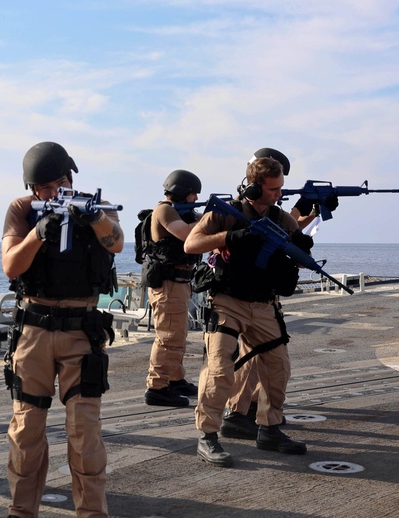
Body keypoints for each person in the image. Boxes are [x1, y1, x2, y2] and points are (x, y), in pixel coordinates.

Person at [0, 142, 123, 518]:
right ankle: (23, 513)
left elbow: (117, 243)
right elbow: (11, 265)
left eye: (61, 183)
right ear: (32, 188)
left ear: (73, 178)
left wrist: (93, 217)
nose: (54, 192)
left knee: (84, 431)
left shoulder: (97, 206)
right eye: (44, 188)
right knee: (26, 427)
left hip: (80, 331)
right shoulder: (20, 209)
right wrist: (38, 231)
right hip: (33, 329)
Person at [185, 157, 312, 467]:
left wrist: (301, 247)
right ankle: (208, 436)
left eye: (281, 188)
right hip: (228, 301)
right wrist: (229, 238)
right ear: (255, 188)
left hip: (265, 304)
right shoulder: (225, 214)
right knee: (219, 369)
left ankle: (269, 429)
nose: (279, 195)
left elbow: (297, 257)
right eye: (273, 189)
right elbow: (191, 244)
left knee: (278, 367)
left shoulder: (282, 219)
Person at [219, 148, 338, 441]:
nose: (279, 192)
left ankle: (253, 414)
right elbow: (274, 227)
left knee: (267, 359)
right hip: (238, 294)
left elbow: (285, 229)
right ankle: (238, 413)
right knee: (245, 358)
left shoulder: (271, 204)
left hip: (263, 292)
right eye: (275, 187)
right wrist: (304, 211)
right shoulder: (240, 204)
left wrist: (311, 213)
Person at [142, 170, 202, 407]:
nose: (196, 198)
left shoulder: (178, 211)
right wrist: (208, 218)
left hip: (179, 282)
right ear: (181, 192)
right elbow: (188, 235)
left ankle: (175, 379)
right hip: (168, 284)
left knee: (178, 335)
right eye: (193, 194)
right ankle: (156, 387)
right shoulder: (165, 210)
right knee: (168, 337)